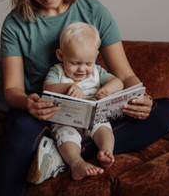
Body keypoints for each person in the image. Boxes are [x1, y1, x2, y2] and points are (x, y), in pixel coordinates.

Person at [0, 0, 169, 196]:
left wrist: (143, 98)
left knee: (167, 111)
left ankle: (60, 155)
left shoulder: (94, 11)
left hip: (95, 113)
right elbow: (12, 90)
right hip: (45, 115)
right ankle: (63, 149)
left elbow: (124, 76)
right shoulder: (16, 23)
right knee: (18, 129)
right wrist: (28, 103)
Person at [43, 22, 124, 180]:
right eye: (75, 63)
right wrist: (67, 87)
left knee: (104, 128)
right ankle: (76, 163)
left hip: (93, 117)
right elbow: (47, 88)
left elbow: (119, 82)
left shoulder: (96, 72)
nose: (82, 69)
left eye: (88, 63)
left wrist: (106, 90)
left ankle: (106, 151)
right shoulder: (57, 71)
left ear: (96, 56)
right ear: (61, 56)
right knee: (66, 137)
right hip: (66, 121)